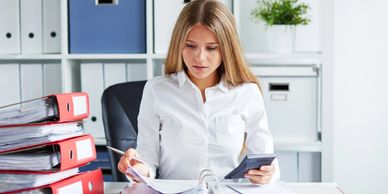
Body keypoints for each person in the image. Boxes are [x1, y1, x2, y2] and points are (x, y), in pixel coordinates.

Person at [118, 0, 279, 184]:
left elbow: (266, 160)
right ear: (179, 44)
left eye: (211, 48)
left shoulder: (247, 93)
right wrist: (137, 169)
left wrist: (267, 174)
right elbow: (148, 161)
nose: (200, 57)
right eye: (190, 46)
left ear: (227, 48)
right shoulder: (156, 90)